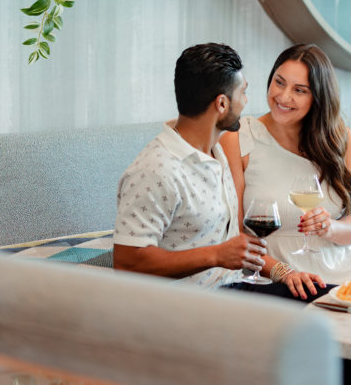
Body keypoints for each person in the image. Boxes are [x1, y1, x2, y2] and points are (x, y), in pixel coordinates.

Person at [221, 43, 351, 300]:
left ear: (318, 97)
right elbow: (236, 234)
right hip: (284, 277)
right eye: (279, 82)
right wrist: (280, 271)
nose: (284, 97)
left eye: (299, 90)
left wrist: (330, 227)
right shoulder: (238, 138)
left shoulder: (343, 140)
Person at [113, 42, 266, 288]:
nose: (245, 102)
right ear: (222, 104)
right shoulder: (156, 170)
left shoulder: (216, 149)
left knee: (325, 302)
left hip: (235, 289)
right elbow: (127, 263)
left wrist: (283, 272)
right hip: (189, 310)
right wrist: (216, 255)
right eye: (243, 93)